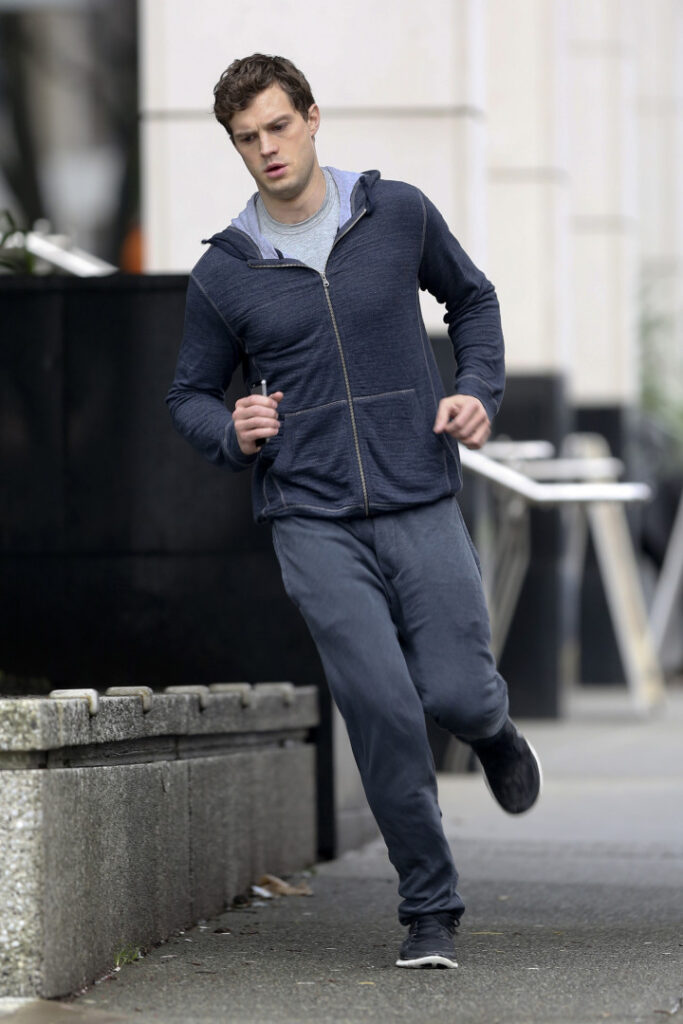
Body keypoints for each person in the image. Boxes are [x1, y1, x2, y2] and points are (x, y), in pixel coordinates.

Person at [166, 53, 541, 970]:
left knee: (454, 692)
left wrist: (477, 389)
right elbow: (188, 396)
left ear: (310, 117)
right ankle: (429, 907)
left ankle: (490, 730)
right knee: (379, 707)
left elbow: (472, 299)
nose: (266, 148)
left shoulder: (396, 213)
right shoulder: (223, 272)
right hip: (310, 516)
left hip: (417, 492)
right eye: (246, 138)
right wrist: (232, 428)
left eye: (277, 126)